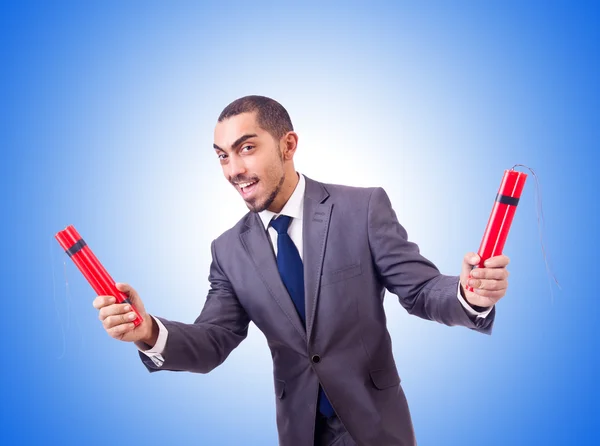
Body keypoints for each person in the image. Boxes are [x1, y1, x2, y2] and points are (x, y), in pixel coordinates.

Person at [93, 95, 510, 446]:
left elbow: (419, 290)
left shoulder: (360, 209)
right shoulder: (227, 251)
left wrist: (467, 294)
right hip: (300, 431)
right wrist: (147, 330)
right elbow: (212, 340)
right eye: (222, 156)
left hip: (376, 426)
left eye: (247, 148)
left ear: (288, 145)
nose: (233, 169)